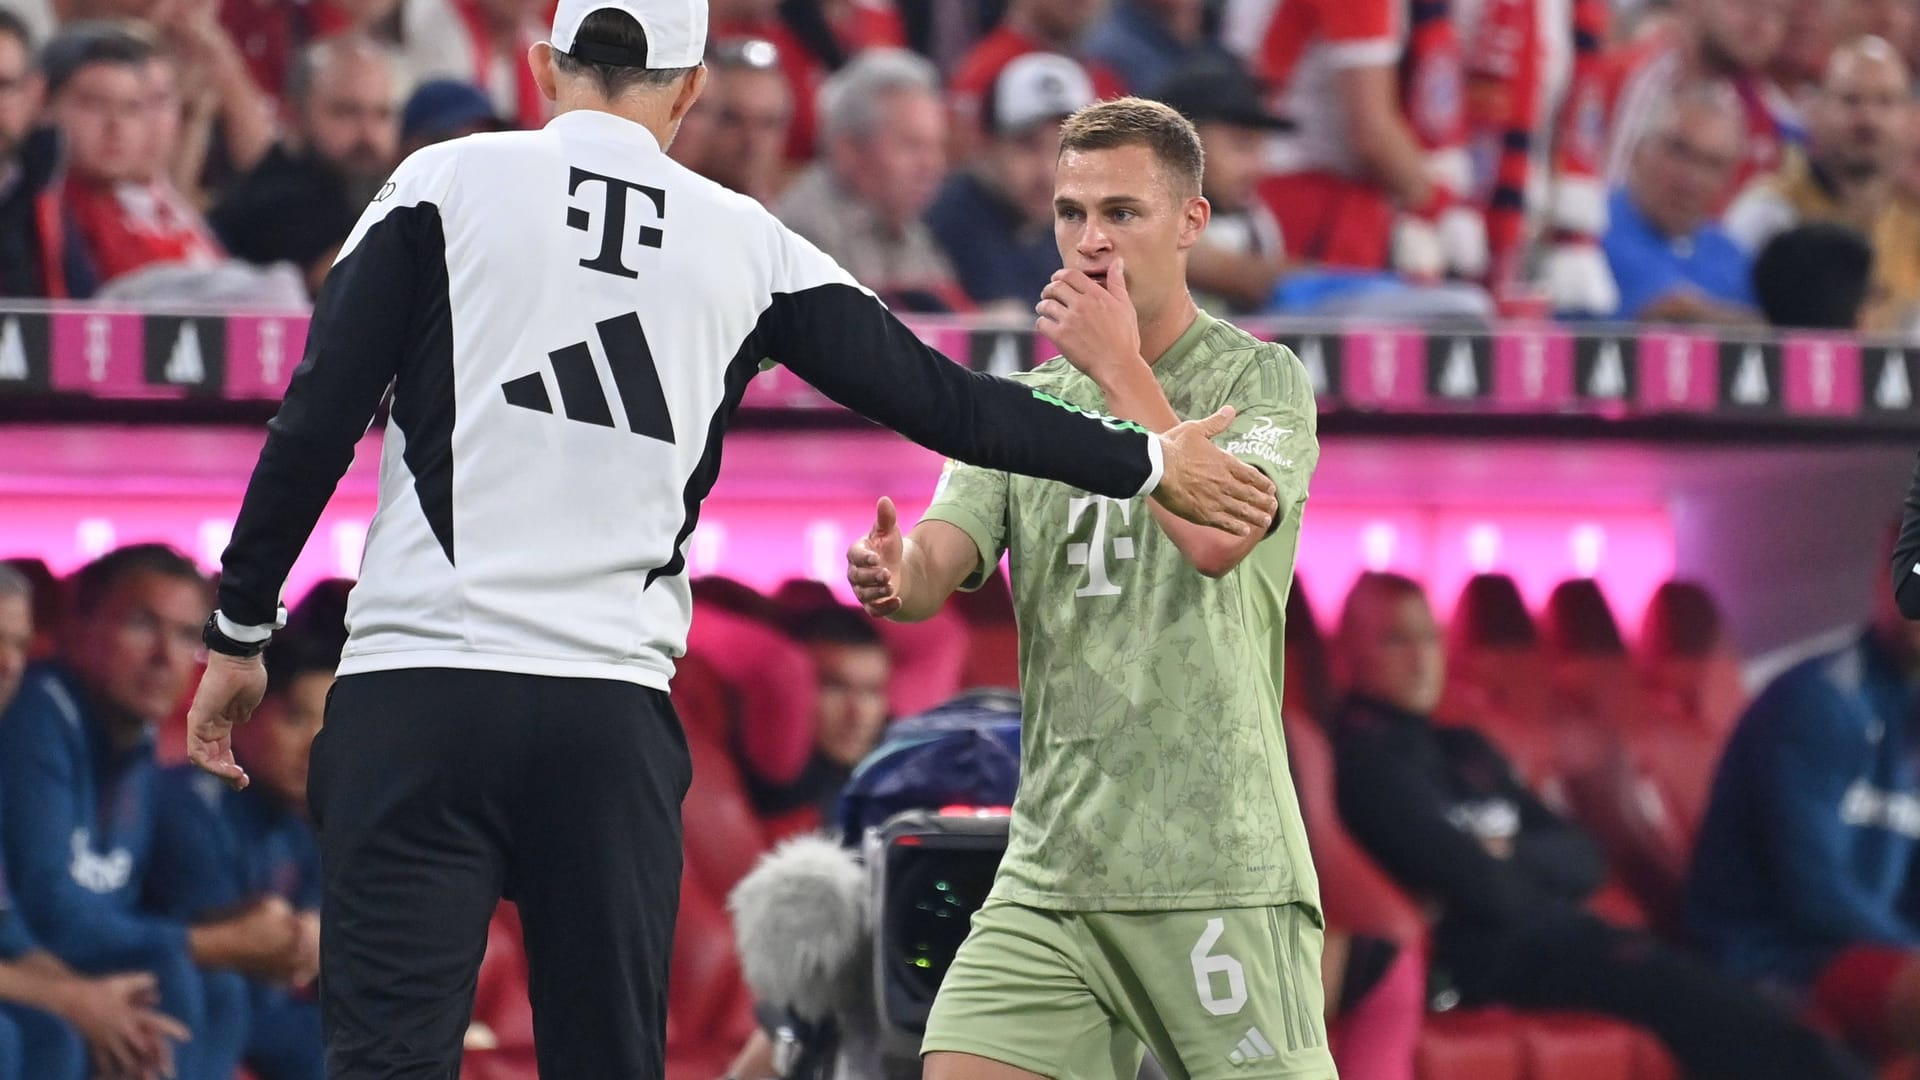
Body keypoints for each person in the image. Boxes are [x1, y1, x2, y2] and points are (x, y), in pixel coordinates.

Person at [183, 3, 1279, 1077]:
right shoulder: (747, 240)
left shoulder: (440, 179)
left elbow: (318, 415)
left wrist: (241, 629)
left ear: (541, 64)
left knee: (384, 1062)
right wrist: (1146, 459)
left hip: (419, 690)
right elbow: (948, 404)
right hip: (605, 720)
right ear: (692, 89)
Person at [847, 97, 1331, 1080]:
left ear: (1192, 223)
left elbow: (1214, 538)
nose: (1090, 241)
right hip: (1054, 868)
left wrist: (1117, 371)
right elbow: (943, 556)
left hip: (1213, 863)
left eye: (1122, 213)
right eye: (1071, 214)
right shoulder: (1026, 406)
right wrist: (900, 576)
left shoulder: (1264, 382)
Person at [1329, 571, 1872, 1080]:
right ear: (1350, 654)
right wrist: (1508, 861)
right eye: (1397, 641)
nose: (1422, 659)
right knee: (1721, 1013)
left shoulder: (1465, 747)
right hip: (1489, 962)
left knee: (1748, 1009)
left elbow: (1584, 856)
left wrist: (1501, 853)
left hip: (1566, 939)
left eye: (1430, 638)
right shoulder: (1363, 760)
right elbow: (1485, 890)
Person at [1, 546, 313, 1080]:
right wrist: (76, 996)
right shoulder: (36, 715)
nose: (166, 657)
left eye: (189, 635)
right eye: (142, 625)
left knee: (212, 988)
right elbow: (49, 909)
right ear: (77, 626)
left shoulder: (139, 739)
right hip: (43, 963)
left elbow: (116, 902)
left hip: (58, 959)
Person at [1690, 546, 1920, 1060]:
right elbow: (1815, 893)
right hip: (1779, 957)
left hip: (1877, 952)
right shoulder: (1816, 700)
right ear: (1885, 582)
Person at [150, 632, 335, 1080]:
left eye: (331, 726)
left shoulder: (299, 821)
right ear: (240, 714)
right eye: (295, 718)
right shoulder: (188, 805)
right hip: (189, 1003)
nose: (317, 745)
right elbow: (229, 952)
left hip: (265, 1013)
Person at [1723, 37, 1920, 331]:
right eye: (1850, 100)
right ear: (1816, 110)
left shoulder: (1912, 221)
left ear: (1909, 118)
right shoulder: (1769, 212)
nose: (1868, 119)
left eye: (1886, 102)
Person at [773, 48, 967, 312]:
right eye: (912, 145)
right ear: (848, 150)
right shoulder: (804, 232)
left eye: (936, 147)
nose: (932, 165)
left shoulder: (912, 229)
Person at [211, 34, 402, 296]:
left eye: (382, 114)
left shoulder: (370, 189)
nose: (368, 134)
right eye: (346, 112)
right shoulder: (269, 202)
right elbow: (346, 283)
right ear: (294, 115)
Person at [924, 51, 1090, 312]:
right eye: (1028, 145)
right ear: (986, 145)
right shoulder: (950, 224)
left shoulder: (1074, 223)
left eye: (1064, 148)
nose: (1048, 170)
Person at [1602, 82, 1759, 323]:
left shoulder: (1730, 256)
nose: (1691, 178)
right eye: (1678, 152)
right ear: (1637, 150)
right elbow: (1673, 313)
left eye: (1712, 164)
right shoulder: (1593, 230)